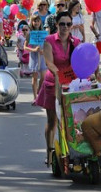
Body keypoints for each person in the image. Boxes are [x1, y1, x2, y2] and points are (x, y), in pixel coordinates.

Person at [35, 11, 81, 165]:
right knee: (52, 120)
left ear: (71, 25)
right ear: (56, 25)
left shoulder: (76, 42)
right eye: (62, 24)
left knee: (73, 120)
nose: (65, 27)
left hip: (71, 85)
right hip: (53, 83)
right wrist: (57, 73)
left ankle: (72, 150)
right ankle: (49, 152)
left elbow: (81, 62)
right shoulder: (49, 40)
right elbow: (49, 62)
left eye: (68, 24)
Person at [25, 13, 47, 103]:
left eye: (38, 21)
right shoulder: (30, 34)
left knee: (43, 77)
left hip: (42, 57)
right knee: (34, 77)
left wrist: (44, 51)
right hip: (34, 57)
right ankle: (35, 97)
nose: (36, 22)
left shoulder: (44, 33)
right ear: (32, 22)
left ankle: (39, 90)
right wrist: (34, 49)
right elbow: (25, 47)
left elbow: (47, 45)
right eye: (35, 21)